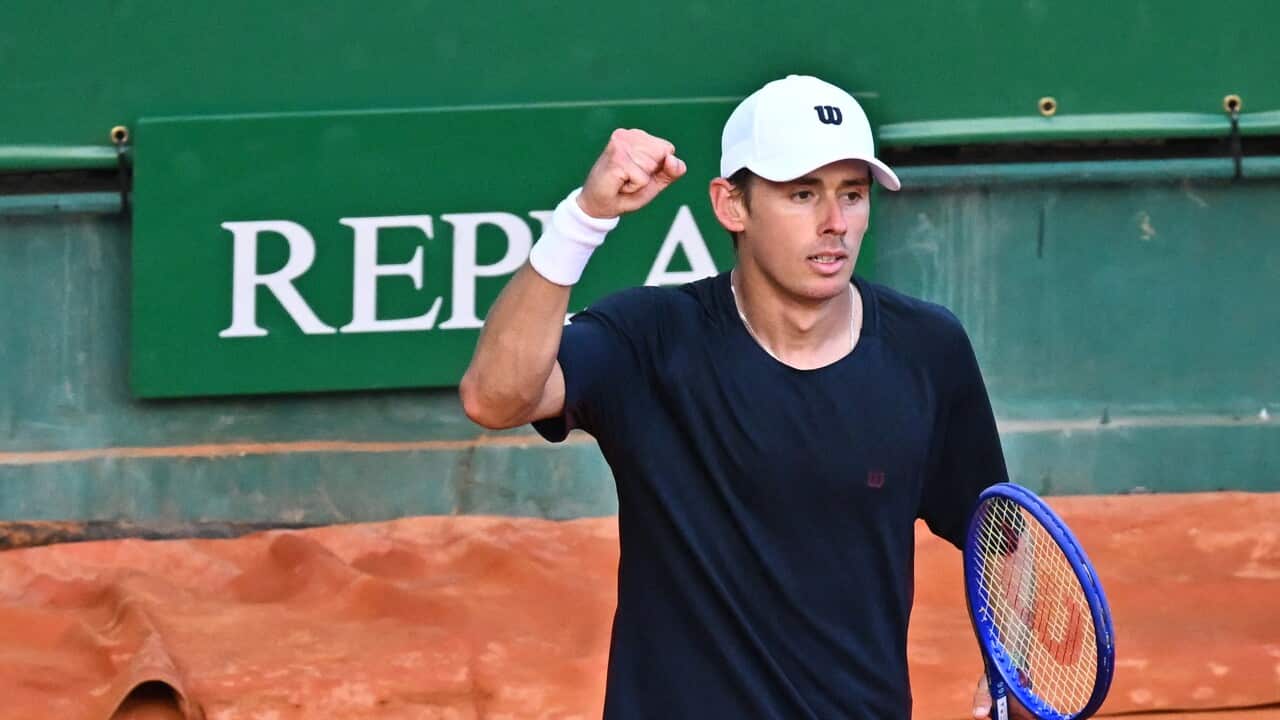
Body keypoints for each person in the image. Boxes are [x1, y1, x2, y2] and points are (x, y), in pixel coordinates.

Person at [460, 74, 1022, 719]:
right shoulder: (648, 339)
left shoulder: (928, 348)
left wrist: (1013, 665)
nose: (834, 222)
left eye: (853, 194)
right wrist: (581, 223)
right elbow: (494, 399)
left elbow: (1000, 534)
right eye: (802, 194)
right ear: (732, 205)